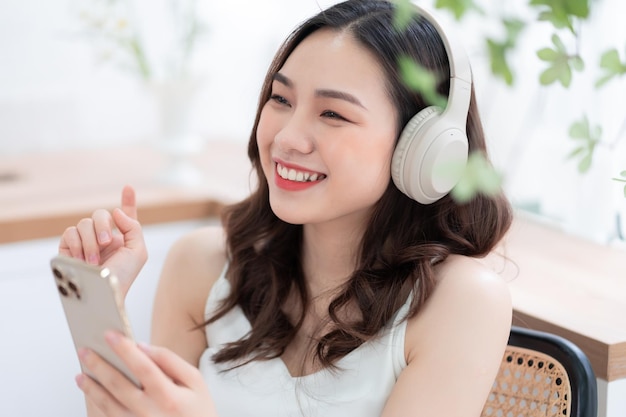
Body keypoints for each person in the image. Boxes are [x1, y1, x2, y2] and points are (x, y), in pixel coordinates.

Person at [58, 1, 513, 416]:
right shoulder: (200, 266)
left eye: (333, 113)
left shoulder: (461, 302)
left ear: (425, 149)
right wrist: (96, 308)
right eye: (281, 99)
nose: (286, 137)